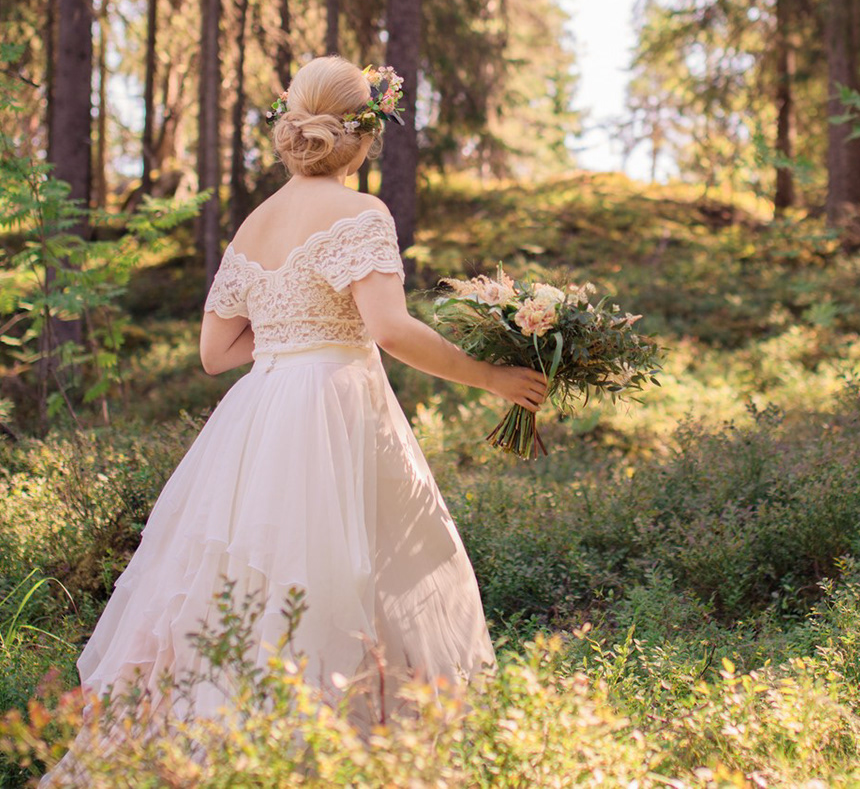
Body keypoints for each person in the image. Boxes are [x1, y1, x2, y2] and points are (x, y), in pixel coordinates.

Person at [43, 56, 547, 781]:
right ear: (362, 135)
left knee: (247, 582)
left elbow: (215, 353)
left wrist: (289, 335)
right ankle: (355, 754)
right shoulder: (362, 213)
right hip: (336, 410)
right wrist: (492, 376)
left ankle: (226, 750)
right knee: (371, 572)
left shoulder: (253, 225)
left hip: (259, 415)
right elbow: (391, 329)